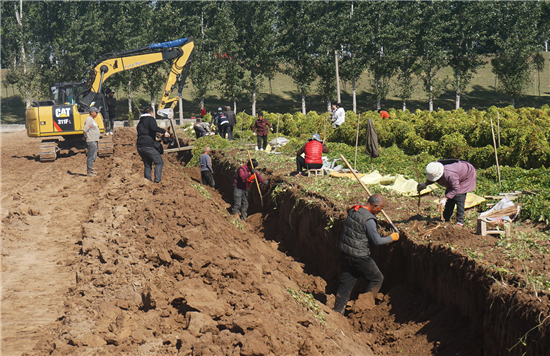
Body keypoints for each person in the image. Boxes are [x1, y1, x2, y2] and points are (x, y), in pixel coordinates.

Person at [333, 194, 400, 315]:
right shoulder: (369, 220)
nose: (381, 211)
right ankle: (363, 311)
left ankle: (337, 312)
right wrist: (392, 238)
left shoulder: (354, 210)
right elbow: (377, 241)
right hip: (359, 256)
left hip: (345, 253)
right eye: (380, 208)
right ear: (374, 206)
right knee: (377, 278)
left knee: (346, 285)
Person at [417, 159, 477, 227]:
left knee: (459, 197)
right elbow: (434, 177)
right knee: (449, 196)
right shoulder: (435, 168)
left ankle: (460, 221)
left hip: (466, 175)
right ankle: (446, 218)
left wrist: (445, 199)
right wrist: (425, 184)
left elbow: (455, 188)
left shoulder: (450, 175)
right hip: (456, 176)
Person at [136, 107, 170, 183]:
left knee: (147, 165)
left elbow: (146, 131)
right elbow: (154, 127)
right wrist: (164, 132)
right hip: (147, 145)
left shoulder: (140, 122)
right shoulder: (150, 119)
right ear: (151, 113)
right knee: (159, 162)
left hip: (140, 146)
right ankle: (157, 181)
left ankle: (147, 182)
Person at [82, 107, 101, 177]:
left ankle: (92, 170)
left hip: (94, 140)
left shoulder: (92, 120)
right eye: (96, 112)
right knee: (91, 156)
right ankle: (90, 171)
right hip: (91, 140)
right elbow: (85, 130)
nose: (97, 114)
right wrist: (86, 136)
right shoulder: (89, 120)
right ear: (91, 112)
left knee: (94, 155)